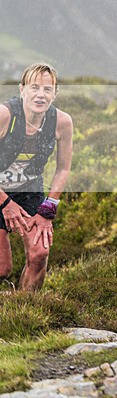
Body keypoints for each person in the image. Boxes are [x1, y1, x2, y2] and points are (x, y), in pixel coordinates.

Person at [0, 63, 73, 291]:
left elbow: (62, 169)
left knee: (40, 253)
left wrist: (48, 209)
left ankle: (26, 311)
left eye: (47, 89)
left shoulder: (61, 122)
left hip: (29, 189)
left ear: (55, 93)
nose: (40, 95)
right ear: (22, 89)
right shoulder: (5, 115)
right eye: (34, 87)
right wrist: (5, 203)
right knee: (2, 268)